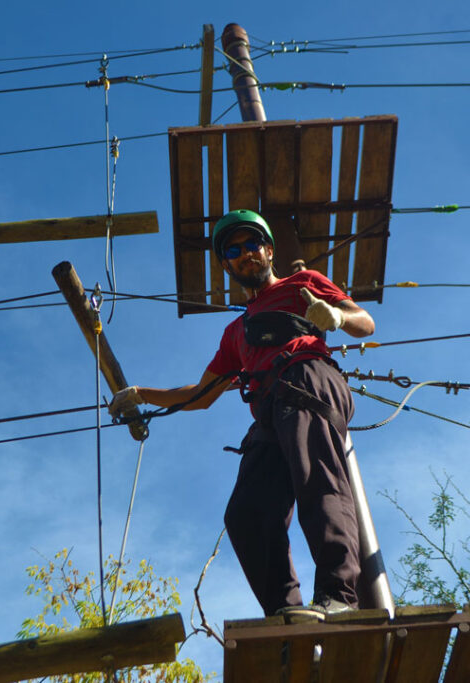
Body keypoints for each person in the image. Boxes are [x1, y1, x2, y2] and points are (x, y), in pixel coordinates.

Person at [109, 209, 375, 620]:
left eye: (253, 244)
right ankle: (285, 614)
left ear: (269, 250)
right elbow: (201, 395)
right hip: (269, 407)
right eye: (234, 250)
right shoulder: (236, 331)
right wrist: (141, 394)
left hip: (307, 378)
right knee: (247, 513)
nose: (246, 253)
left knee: (316, 477)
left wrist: (336, 315)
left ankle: (339, 595)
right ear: (226, 264)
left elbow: (365, 323)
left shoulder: (302, 283)